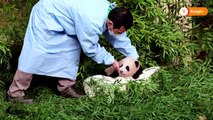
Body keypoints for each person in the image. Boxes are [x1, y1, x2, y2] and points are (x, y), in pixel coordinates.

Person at [7, 0, 139, 103]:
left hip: (66, 18)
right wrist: (111, 60)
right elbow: (90, 48)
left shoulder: (112, 13)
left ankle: (65, 87)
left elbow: (119, 37)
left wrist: (134, 57)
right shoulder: (92, 20)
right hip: (47, 14)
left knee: (71, 49)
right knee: (35, 53)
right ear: (110, 24)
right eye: (119, 31)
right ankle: (15, 94)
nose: (120, 34)